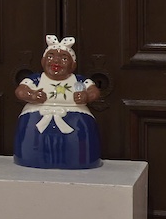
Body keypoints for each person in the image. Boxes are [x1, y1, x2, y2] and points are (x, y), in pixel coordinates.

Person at [13, 35, 104, 170]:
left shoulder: (78, 81)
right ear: (43, 61)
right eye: (50, 56)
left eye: (64, 58)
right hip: (37, 117)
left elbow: (94, 91)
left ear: (73, 65)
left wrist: (86, 95)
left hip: (75, 118)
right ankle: (30, 158)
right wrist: (31, 95)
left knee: (78, 142)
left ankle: (78, 160)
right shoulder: (36, 79)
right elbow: (20, 91)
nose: (56, 61)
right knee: (32, 139)